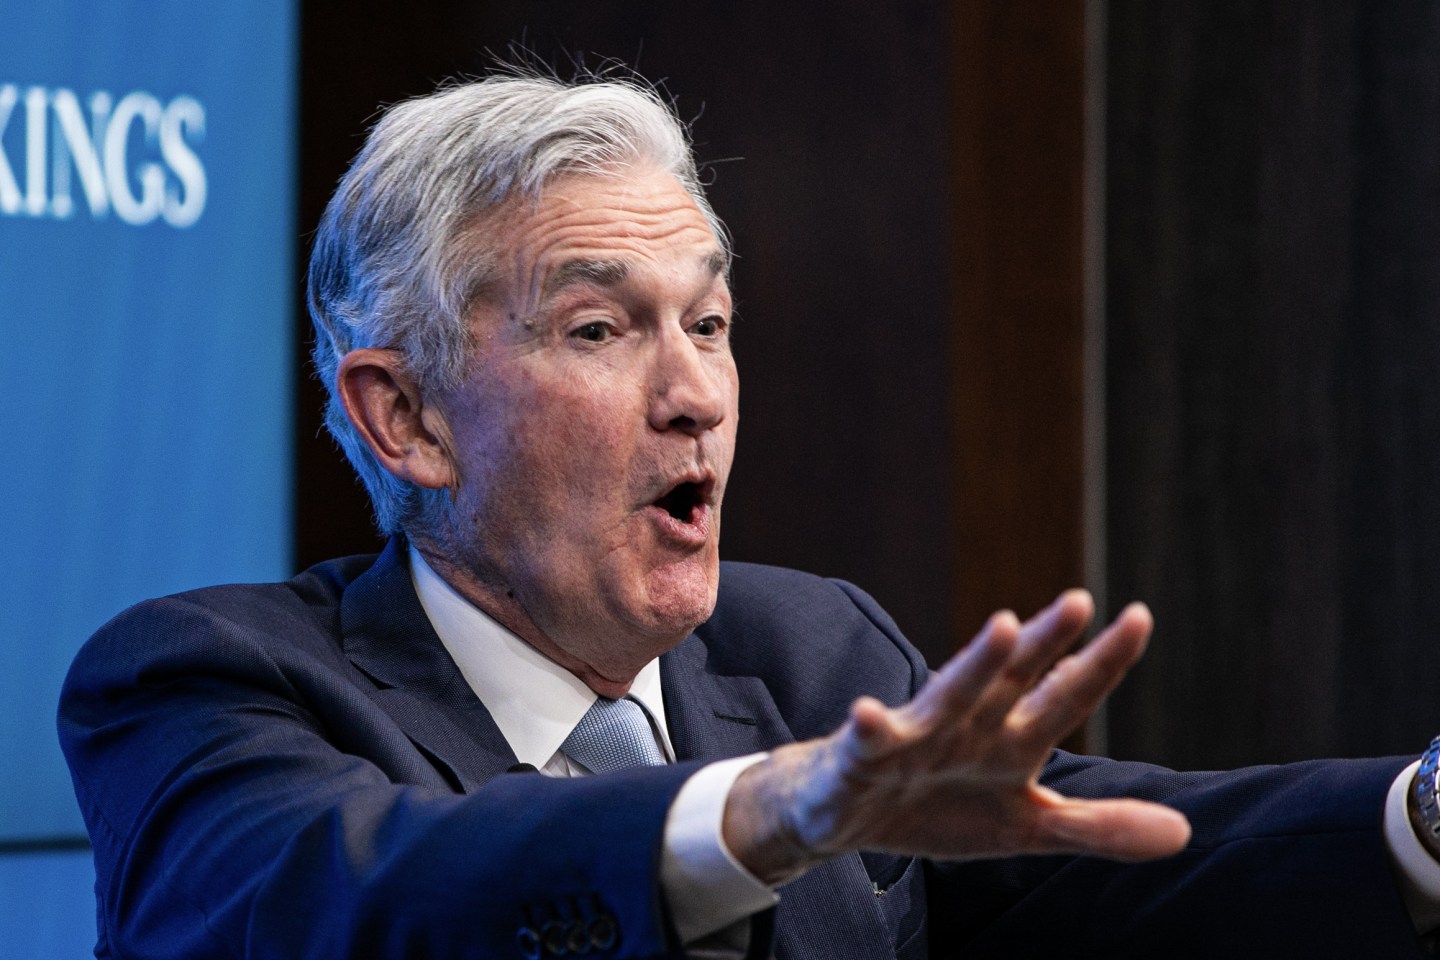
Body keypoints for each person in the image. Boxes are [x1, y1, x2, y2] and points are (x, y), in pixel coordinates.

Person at [59, 71, 1440, 959]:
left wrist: (1424, 814)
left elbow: (1085, 852)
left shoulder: (813, 653)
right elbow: (343, 900)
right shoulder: (202, 684)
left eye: (710, 324)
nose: (695, 395)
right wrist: (757, 813)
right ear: (404, 417)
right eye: (599, 329)